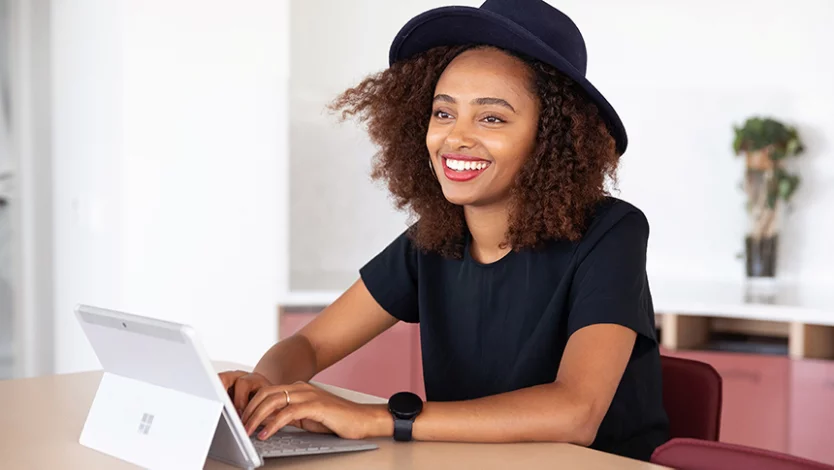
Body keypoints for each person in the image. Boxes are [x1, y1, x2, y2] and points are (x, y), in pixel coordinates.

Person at [220, 0, 670, 461]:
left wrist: (377, 418)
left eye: (491, 117)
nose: (456, 138)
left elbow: (576, 412)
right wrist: (264, 387)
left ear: (551, 136)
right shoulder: (434, 239)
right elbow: (310, 344)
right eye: (443, 113)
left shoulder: (612, 232)